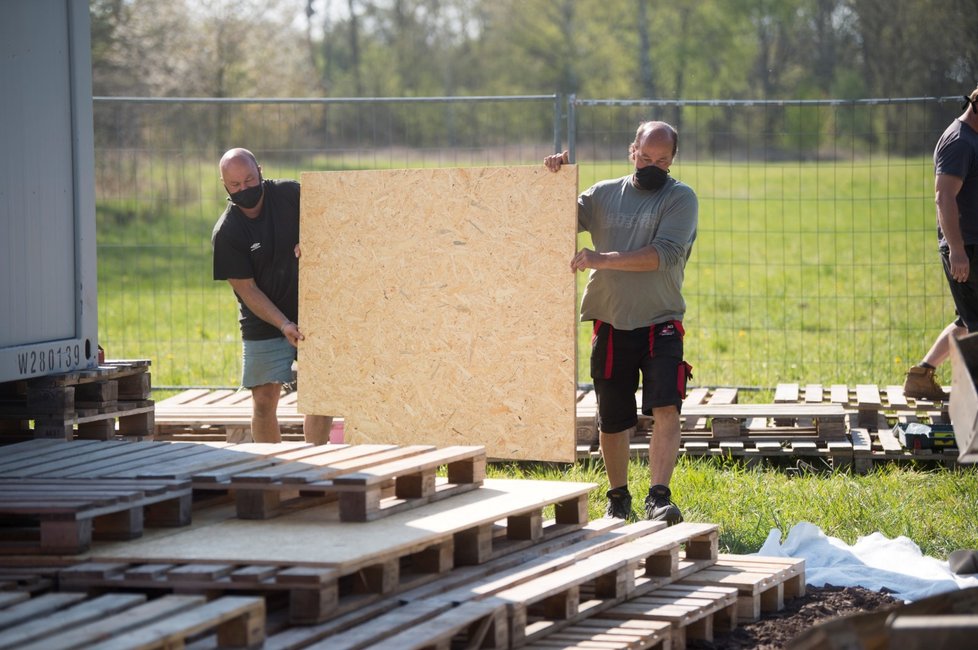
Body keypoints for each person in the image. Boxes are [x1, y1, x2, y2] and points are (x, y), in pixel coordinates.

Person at [545, 121, 698, 524]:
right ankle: (618, 498)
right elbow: (550, 217)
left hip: (661, 319)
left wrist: (599, 259)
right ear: (632, 151)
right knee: (612, 417)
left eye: (661, 161)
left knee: (666, 406)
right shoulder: (602, 194)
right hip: (611, 321)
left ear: (672, 160)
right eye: (646, 158)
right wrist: (555, 178)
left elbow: (661, 255)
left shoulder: (681, 198)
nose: (652, 166)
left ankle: (659, 499)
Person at [211, 148, 332, 444]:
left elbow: (333, 218)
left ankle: (317, 463)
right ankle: (272, 468)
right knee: (264, 400)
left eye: (250, 180)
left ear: (261, 171)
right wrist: (283, 324)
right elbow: (246, 289)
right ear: (225, 185)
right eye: (235, 185)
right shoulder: (227, 233)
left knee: (320, 396)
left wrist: (315, 237)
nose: (244, 189)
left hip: (314, 310)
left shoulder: (290, 194)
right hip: (264, 319)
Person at [903, 87, 978, 402]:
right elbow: (943, 196)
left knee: (968, 319)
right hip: (967, 247)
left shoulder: (971, 138)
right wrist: (957, 249)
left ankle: (921, 375)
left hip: (970, 245)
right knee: (975, 323)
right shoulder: (959, 141)